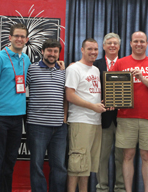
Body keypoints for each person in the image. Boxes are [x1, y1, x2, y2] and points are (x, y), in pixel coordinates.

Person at [111, 31, 148, 192]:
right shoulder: (121, 63)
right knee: (127, 156)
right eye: (135, 41)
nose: (139, 44)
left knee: (146, 156)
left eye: (142, 41)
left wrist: (143, 79)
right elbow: (110, 87)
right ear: (130, 43)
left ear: (147, 44)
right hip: (126, 117)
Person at [0, 23, 31, 192]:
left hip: (17, 118)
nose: (19, 39)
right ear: (10, 38)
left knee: (10, 161)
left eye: (22, 37)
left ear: (27, 40)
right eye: (16, 36)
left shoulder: (26, 60)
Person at [26, 38, 67, 192]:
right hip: (37, 126)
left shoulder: (63, 72)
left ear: (58, 54)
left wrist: (64, 118)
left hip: (59, 127)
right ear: (42, 51)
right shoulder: (32, 69)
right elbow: (20, 88)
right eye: (49, 50)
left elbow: (66, 96)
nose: (52, 54)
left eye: (55, 51)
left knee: (59, 166)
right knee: (36, 165)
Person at [65, 38, 106, 192]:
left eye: (95, 49)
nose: (93, 52)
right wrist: (92, 106)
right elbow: (69, 95)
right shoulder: (74, 69)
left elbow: (91, 95)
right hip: (80, 121)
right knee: (76, 164)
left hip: (95, 122)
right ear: (82, 50)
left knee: (86, 166)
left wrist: (103, 104)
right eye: (89, 49)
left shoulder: (95, 69)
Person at [94, 33, 125, 192]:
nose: (112, 45)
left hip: (123, 119)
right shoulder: (95, 64)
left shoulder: (126, 64)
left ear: (119, 46)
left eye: (115, 43)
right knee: (102, 157)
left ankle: (120, 188)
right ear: (104, 46)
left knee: (122, 157)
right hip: (102, 118)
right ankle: (102, 188)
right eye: (109, 43)